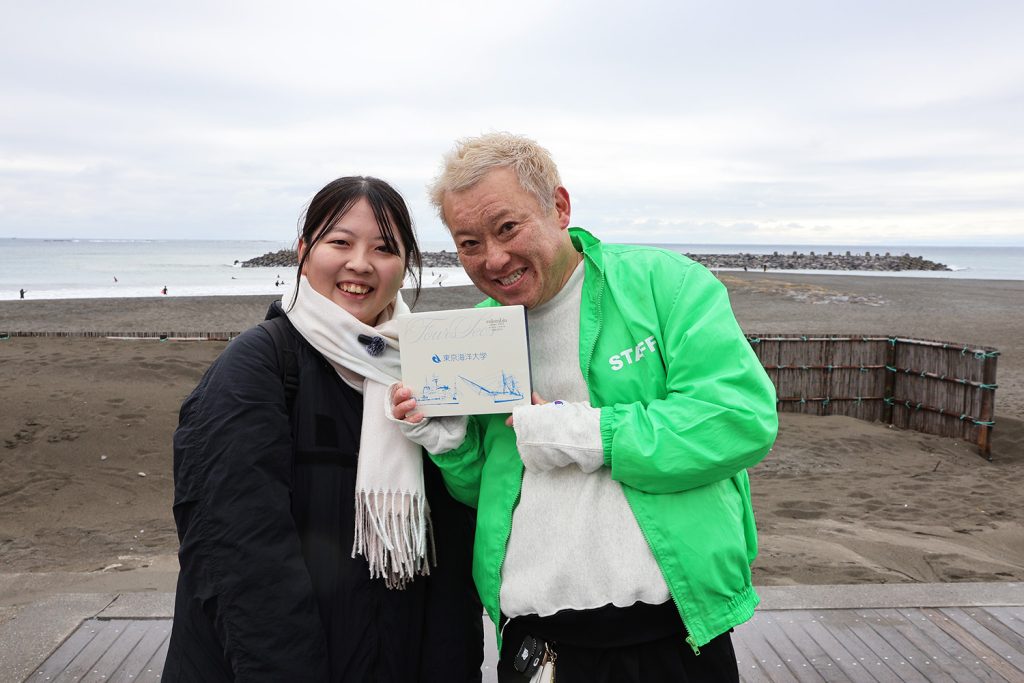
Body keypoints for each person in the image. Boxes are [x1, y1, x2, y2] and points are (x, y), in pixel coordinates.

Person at [392, 134, 778, 682]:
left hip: (671, 632)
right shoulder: (476, 333)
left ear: (559, 207)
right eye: (469, 242)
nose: (493, 258)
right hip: (536, 642)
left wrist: (581, 431)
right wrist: (449, 443)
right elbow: (488, 491)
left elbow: (738, 419)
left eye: (508, 228)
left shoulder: (663, 284)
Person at [164, 176, 483, 681]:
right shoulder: (258, 366)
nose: (361, 263)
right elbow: (238, 555)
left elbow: (449, 566)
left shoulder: (428, 372)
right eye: (340, 242)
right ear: (303, 251)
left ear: (405, 265)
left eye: (384, 248)